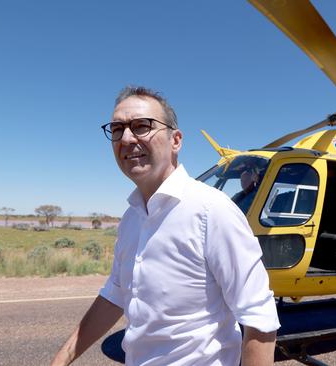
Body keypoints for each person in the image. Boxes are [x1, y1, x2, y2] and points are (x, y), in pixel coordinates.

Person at [51, 86, 280, 365]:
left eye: (141, 126)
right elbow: (116, 293)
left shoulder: (212, 211)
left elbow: (259, 317)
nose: (126, 138)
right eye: (117, 129)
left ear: (176, 141)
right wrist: (61, 359)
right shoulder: (131, 218)